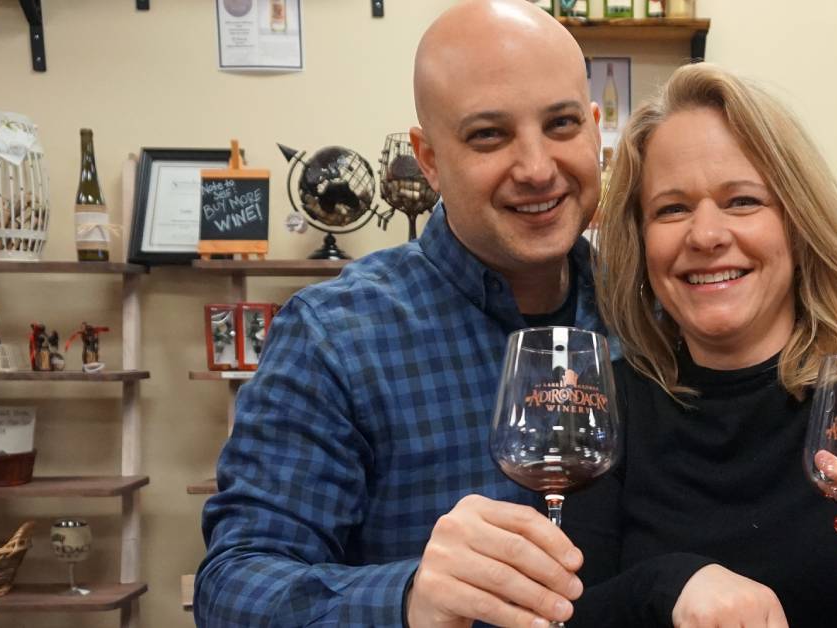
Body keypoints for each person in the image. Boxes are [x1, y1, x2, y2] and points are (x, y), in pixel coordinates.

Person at [194, 2, 608, 626]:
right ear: (430, 158)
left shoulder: (646, 309)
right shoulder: (333, 337)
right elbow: (231, 590)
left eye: (561, 124)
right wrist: (408, 599)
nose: (537, 168)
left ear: (595, 127)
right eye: (488, 135)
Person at [564, 63, 837, 627]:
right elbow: (568, 614)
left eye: (743, 201)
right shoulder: (614, 397)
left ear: (797, 221)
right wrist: (669, 584)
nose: (705, 235)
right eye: (672, 209)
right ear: (641, 238)